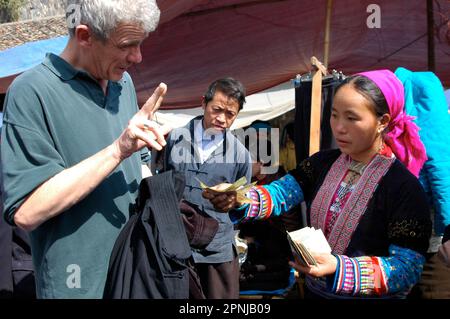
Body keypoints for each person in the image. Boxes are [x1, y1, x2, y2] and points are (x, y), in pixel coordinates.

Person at [203, 70, 432, 299]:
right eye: (334, 115)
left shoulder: (404, 188)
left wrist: (339, 268)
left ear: (382, 122)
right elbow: (282, 193)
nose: (339, 127)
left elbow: (407, 267)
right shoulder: (322, 162)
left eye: (351, 118)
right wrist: (240, 199)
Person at [1, 0, 171, 298]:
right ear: (85, 35)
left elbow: (138, 167)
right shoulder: (31, 92)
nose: (138, 56)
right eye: (127, 45)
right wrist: (117, 150)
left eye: (140, 43)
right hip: (76, 285)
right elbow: (27, 211)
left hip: (134, 277)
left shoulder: (123, 84)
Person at [163, 78, 252, 298]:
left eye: (230, 114)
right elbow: (165, 184)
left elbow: (243, 199)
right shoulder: (176, 138)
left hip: (217, 249)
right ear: (203, 103)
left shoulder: (240, 155)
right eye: (217, 109)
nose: (222, 119)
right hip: (176, 244)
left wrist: (232, 201)